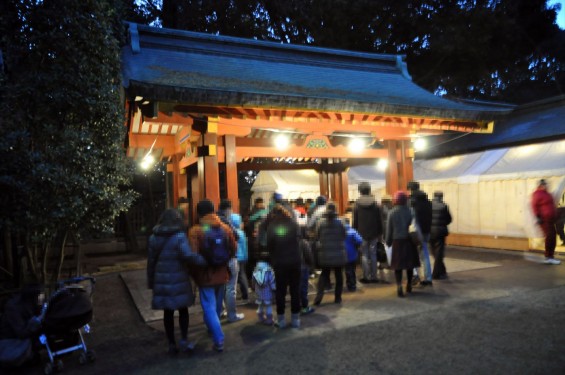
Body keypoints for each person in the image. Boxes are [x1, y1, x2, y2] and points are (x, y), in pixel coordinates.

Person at [147, 208, 207, 355]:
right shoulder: (179, 236)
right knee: (183, 310)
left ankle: (171, 343)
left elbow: (151, 262)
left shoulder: (153, 238)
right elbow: (187, 255)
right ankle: (184, 339)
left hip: (162, 280)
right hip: (179, 278)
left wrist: (151, 281)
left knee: (167, 313)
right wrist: (203, 260)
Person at [188, 199, 237, 352]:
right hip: (222, 273)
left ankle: (219, 338)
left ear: (199, 213)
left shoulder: (195, 231)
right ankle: (212, 329)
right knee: (215, 306)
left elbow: (192, 255)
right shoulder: (225, 228)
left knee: (208, 307)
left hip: (205, 276)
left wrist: (200, 268)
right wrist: (222, 261)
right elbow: (234, 249)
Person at [265, 201, 302, 328]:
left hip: (280, 262)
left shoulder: (272, 226)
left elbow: (269, 245)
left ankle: (281, 320)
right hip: (295, 261)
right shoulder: (294, 224)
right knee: (295, 290)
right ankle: (296, 319)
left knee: (280, 291)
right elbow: (299, 239)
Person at [0, 284, 44, 368]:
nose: (42, 298)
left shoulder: (33, 304)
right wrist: (36, 321)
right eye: (40, 296)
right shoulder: (13, 308)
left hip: (21, 337)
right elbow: (21, 332)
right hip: (9, 341)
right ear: (33, 297)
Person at [386, 191, 420, 297]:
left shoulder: (391, 212)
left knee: (398, 267)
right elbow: (415, 226)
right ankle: (409, 284)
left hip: (397, 242)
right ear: (405, 200)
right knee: (409, 265)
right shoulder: (411, 211)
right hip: (409, 241)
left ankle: (399, 286)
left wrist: (388, 241)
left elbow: (389, 229)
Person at [313, 202, 347, 305]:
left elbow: (317, 236)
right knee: (339, 275)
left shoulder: (320, 223)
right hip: (338, 253)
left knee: (324, 275)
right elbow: (344, 236)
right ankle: (338, 298)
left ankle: (318, 298)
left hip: (325, 254)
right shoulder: (341, 222)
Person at [352, 182, 384, 283]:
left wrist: (355, 232)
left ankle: (366, 276)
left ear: (360, 190)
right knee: (373, 254)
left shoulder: (356, 204)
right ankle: (374, 276)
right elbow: (380, 219)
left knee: (364, 255)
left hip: (361, 233)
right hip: (374, 232)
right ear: (369, 190)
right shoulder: (375, 203)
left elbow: (355, 220)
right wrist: (380, 232)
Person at [408, 181, 433, 286]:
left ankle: (415, 276)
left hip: (415, 232)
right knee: (425, 255)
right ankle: (428, 278)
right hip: (427, 231)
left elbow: (410, 217)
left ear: (411, 189)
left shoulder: (412, 201)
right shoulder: (428, 201)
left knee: (413, 255)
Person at [531, 179, 561, 265]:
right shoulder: (537, 194)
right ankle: (548, 257)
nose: (546, 186)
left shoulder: (547, 193)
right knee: (550, 236)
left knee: (552, 236)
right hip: (544, 219)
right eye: (544, 184)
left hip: (551, 218)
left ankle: (550, 256)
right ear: (540, 185)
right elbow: (534, 206)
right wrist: (538, 217)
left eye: (546, 184)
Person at [430, 191, 452, 280]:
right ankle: (436, 273)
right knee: (439, 253)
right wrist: (443, 223)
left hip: (430, 231)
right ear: (441, 197)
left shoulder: (429, 205)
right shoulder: (444, 206)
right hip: (441, 231)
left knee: (434, 252)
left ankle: (442, 271)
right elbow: (449, 219)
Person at [231, 213, 250, 302]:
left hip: (237, 257)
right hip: (243, 257)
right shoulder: (242, 232)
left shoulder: (234, 233)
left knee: (239, 277)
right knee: (242, 275)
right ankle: (245, 294)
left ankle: (244, 294)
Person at [252, 258, 276, 325]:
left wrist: (253, 286)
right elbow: (272, 282)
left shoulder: (256, 269)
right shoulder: (269, 270)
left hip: (258, 293)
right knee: (268, 306)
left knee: (260, 305)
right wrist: (274, 288)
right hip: (267, 293)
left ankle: (261, 318)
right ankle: (269, 320)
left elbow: (253, 280)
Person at [343, 217, 363, 292]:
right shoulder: (352, 231)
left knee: (347, 270)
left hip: (343, 254)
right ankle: (353, 284)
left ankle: (349, 284)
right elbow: (359, 240)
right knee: (352, 270)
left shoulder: (340, 232)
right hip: (353, 254)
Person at [299, 235, 316, 315]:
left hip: (290, 268)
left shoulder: (285, 241)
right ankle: (305, 307)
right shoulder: (303, 242)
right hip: (302, 268)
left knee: (294, 288)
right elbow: (309, 256)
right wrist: (311, 267)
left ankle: (296, 306)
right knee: (303, 288)